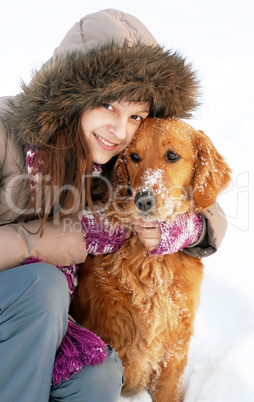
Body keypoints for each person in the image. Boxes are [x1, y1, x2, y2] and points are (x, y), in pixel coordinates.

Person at [0, 8, 227, 402]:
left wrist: (183, 227)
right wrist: (57, 241)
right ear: (72, 95)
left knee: (98, 377)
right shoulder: (6, 134)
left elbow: (198, 194)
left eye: (135, 114)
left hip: (43, 324)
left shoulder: (117, 160)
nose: (120, 129)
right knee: (44, 286)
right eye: (107, 105)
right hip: (22, 301)